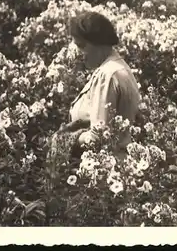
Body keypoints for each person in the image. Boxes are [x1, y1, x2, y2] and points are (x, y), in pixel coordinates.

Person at [45, 10, 142, 193]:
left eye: (82, 46)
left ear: (98, 43)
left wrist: (65, 138)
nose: (80, 53)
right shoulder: (121, 68)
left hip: (106, 179)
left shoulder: (107, 75)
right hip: (122, 171)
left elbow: (99, 138)